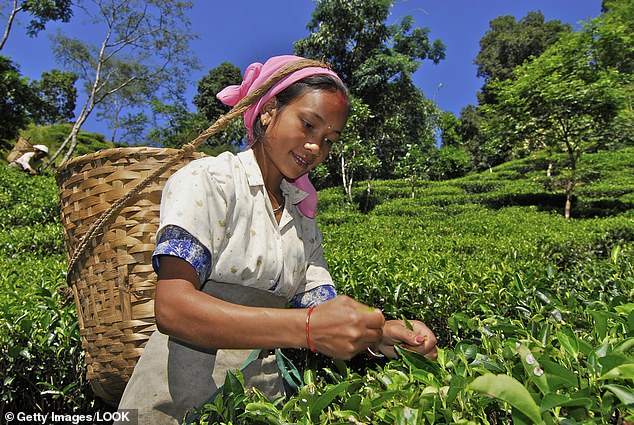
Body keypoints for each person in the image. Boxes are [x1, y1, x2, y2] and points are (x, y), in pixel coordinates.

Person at [115, 55, 438, 424]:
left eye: (329, 140)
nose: (315, 148)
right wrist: (305, 329)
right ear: (268, 111)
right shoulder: (210, 180)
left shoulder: (302, 219)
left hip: (260, 405)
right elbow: (173, 308)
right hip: (171, 401)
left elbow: (322, 308)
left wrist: (383, 333)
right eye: (307, 125)